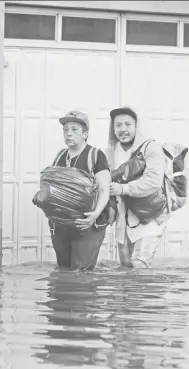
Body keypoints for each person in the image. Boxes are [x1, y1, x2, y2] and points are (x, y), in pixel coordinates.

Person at [107, 107, 170, 269]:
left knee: (139, 266)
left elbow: (153, 181)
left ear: (136, 126)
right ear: (113, 128)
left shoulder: (151, 147)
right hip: (123, 222)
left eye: (128, 124)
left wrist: (122, 189)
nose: (123, 129)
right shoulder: (109, 153)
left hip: (150, 216)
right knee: (126, 268)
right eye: (118, 125)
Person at [49, 110, 111, 270]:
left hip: (88, 223)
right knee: (63, 269)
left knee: (81, 271)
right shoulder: (60, 156)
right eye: (65, 129)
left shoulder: (96, 155)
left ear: (85, 134)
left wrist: (95, 214)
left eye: (74, 130)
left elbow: (105, 190)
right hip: (62, 224)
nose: (68, 134)